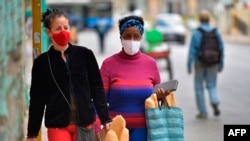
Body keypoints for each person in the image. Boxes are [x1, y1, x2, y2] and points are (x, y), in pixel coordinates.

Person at [26, 8, 111, 141]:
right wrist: (32, 133)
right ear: (49, 32)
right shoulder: (42, 62)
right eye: (58, 28)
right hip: (57, 125)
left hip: (85, 123)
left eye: (66, 27)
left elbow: (97, 89)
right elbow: (37, 100)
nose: (63, 32)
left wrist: (105, 118)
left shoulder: (85, 54)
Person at [99, 15, 169, 141]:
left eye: (136, 36)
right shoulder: (108, 64)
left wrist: (161, 96)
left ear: (141, 38)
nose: (131, 40)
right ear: (121, 38)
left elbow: (156, 97)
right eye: (127, 36)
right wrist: (101, 122)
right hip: (115, 129)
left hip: (143, 128)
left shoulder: (151, 64)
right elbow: (99, 98)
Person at [187, 9, 224, 119]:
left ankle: (203, 112)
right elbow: (221, 49)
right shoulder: (216, 32)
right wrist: (220, 64)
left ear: (200, 19)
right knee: (212, 85)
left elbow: (191, 51)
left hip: (199, 62)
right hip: (213, 62)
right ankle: (215, 101)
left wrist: (189, 66)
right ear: (209, 19)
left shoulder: (196, 32)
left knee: (199, 87)